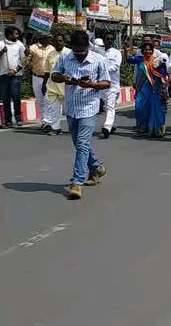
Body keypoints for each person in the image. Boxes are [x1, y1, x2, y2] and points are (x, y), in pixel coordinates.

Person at [51, 31, 111, 200]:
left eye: (81, 52)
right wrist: (63, 77)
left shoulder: (99, 60)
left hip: (89, 107)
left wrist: (92, 84)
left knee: (83, 143)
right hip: (71, 107)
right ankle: (97, 168)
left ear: (87, 47)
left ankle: (76, 182)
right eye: (76, 52)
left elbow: (107, 82)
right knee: (79, 144)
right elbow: (54, 75)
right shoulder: (65, 57)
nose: (78, 56)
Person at [130, 42, 167, 138]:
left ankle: (157, 131)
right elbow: (128, 60)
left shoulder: (157, 61)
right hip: (142, 89)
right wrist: (126, 51)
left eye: (150, 50)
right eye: (146, 50)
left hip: (154, 89)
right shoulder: (139, 60)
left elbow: (163, 73)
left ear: (152, 51)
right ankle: (142, 128)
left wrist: (164, 86)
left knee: (155, 109)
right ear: (142, 51)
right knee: (140, 109)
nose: (148, 51)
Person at [0, 26, 26, 129]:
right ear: (9, 35)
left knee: (16, 95)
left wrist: (15, 70)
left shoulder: (20, 44)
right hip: (4, 75)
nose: (17, 36)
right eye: (16, 34)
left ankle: (18, 117)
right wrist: (1, 52)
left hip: (16, 75)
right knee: (5, 98)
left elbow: (24, 60)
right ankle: (8, 120)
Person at [23, 33, 53, 131]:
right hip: (37, 77)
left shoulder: (52, 48)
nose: (50, 40)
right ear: (42, 39)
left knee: (48, 100)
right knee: (40, 100)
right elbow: (25, 63)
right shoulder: (32, 48)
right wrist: (26, 55)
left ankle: (48, 122)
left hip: (49, 78)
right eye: (48, 38)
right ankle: (44, 122)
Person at [42, 35, 71, 135]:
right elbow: (47, 71)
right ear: (53, 43)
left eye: (60, 41)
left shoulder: (70, 53)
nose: (58, 43)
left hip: (67, 87)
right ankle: (56, 128)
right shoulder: (50, 54)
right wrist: (44, 84)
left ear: (64, 42)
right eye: (56, 41)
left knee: (70, 111)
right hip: (53, 87)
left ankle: (74, 128)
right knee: (54, 110)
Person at [100, 32, 122, 139]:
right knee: (106, 107)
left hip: (112, 86)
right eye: (107, 39)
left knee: (110, 106)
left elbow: (115, 67)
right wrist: (91, 30)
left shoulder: (116, 53)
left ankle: (107, 127)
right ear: (104, 40)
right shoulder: (99, 51)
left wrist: (102, 71)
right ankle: (112, 125)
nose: (109, 41)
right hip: (101, 85)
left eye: (111, 39)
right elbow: (88, 45)